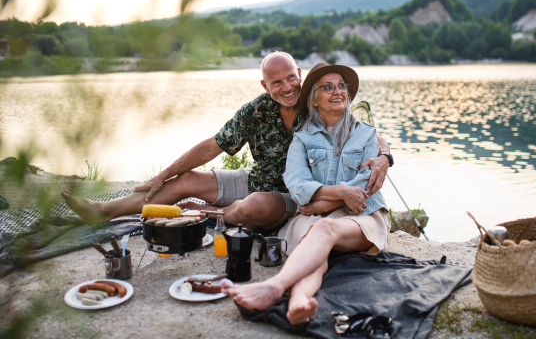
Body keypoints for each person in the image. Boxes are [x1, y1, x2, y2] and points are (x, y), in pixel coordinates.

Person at [61, 53, 392, 231]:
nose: (287, 87)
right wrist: (165, 173)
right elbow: (212, 146)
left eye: (291, 77)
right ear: (265, 85)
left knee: (254, 207)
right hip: (253, 181)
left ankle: (202, 213)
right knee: (185, 180)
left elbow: (366, 133)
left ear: (300, 73)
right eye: (277, 82)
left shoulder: (317, 103)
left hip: (295, 194)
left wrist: (384, 157)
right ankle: (104, 211)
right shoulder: (255, 111)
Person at [222, 62, 390, 325]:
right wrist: (340, 192)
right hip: (313, 217)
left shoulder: (366, 135)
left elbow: (364, 189)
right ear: (314, 99)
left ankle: (274, 287)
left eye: (342, 86)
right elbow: (297, 185)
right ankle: (299, 299)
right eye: (328, 87)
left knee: (324, 229)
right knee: (315, 239)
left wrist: (323, 202)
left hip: (362, 216)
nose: (338, 92)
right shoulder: (301, 138)